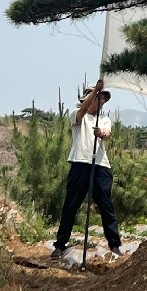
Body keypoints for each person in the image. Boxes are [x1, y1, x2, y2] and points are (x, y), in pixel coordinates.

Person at [50, 79, 122, 260]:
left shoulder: (104, 119)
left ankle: (114, 245)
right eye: (99, 98)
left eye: (104, 100)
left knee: (106, 206)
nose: (102, 102)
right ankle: (60, 245)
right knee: (71, 205)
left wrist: (102, 134)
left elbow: (107, 133)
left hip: (100, 165)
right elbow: (82, 112)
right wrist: (95, 91)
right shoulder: (77, 114)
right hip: (80, 163)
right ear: (90, 98)